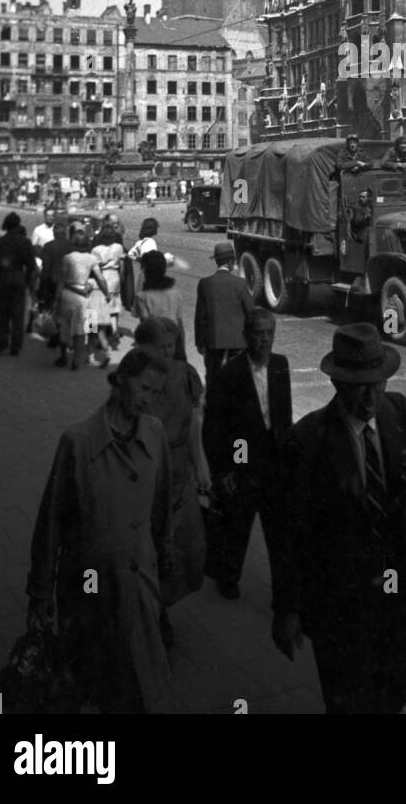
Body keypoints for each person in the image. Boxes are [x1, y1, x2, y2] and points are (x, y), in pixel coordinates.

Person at [275, 323, 406, 714]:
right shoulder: (308, 439)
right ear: (337, 383)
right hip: (342, 607)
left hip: (398, 593)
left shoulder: (397, 409)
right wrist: (287, 608)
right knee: (349, 702)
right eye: (359, 386)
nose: (371, 396)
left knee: (399, 695)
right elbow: (290, 533)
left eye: (378, 383)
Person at [25, 347, 175, 713]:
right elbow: (51, 523)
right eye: (143, 389)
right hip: (89, 589)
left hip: (139, 586)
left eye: (156, 393)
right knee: (92, 684)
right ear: (121, 379)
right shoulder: (77, 442)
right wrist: (40, 593)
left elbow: (163, 507)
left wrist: (162, 560)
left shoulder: (155, 434)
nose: (149, 400)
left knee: (143, 687)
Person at [202, 311, 291, 601]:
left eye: (269, 333)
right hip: (243, 456)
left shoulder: (280, 366)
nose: (264, 339)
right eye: (258, 333)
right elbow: (215, 425)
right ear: (246, 335)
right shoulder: (231, 372)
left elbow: (284, 415)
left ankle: (283, 589)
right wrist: (224, 470)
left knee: (278, 530)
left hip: (274, 458)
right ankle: (229, 577)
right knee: (238, 522)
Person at [134, 319, 210, 622]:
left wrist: (201, 463)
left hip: (181, 473)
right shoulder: (135, 380)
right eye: (160, 347)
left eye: (171, 346)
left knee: (187, 549)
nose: (167, 352)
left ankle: (161, 605)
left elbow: (193, 424)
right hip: (149, 475)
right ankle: (152, 614)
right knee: (151, 549)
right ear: (144, 349)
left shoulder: (184, 375)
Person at [194, 242, 256, 386]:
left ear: (216, 261)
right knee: (238, 379)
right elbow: (251, 314)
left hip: (213, 342)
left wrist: (199, 342)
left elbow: (200, 318)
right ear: (231, 262)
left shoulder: (205, 284)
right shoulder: (240, 284)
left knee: (214, 379)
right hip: (238, 342)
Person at [55, 223, 110, 371]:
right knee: (80, 331)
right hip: (83, 297)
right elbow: (100, 278)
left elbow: (62, 279)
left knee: (65, 327)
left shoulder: (67, 258)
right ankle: (76, 361)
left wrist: (57, 297)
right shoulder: (92, 259)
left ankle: (63, 356)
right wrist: (106, 293)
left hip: (68, 294)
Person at [0, 212, 38, 356]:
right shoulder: (25, 242)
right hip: (18, 278)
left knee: (1, 312)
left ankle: (2, 342)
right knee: (17, 314)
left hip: (3, 279)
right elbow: (31, 266)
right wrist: (27, 280)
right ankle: (15, 346)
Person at [134, 250, 186, 356]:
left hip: (156, 345)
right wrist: (182, 350)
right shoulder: (175, 293)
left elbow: (146, 325)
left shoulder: (142, 296)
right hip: (174, 343)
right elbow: (180, 324)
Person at [91, 220, 125, 354]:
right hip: (115, 277)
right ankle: (115, 329)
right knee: (114, 307)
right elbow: (122, 266)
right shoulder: (118, 247)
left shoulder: (96, 250)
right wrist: (121, 279)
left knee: (102, 307)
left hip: (103, 278)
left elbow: (95, 268)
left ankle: (99, 336)